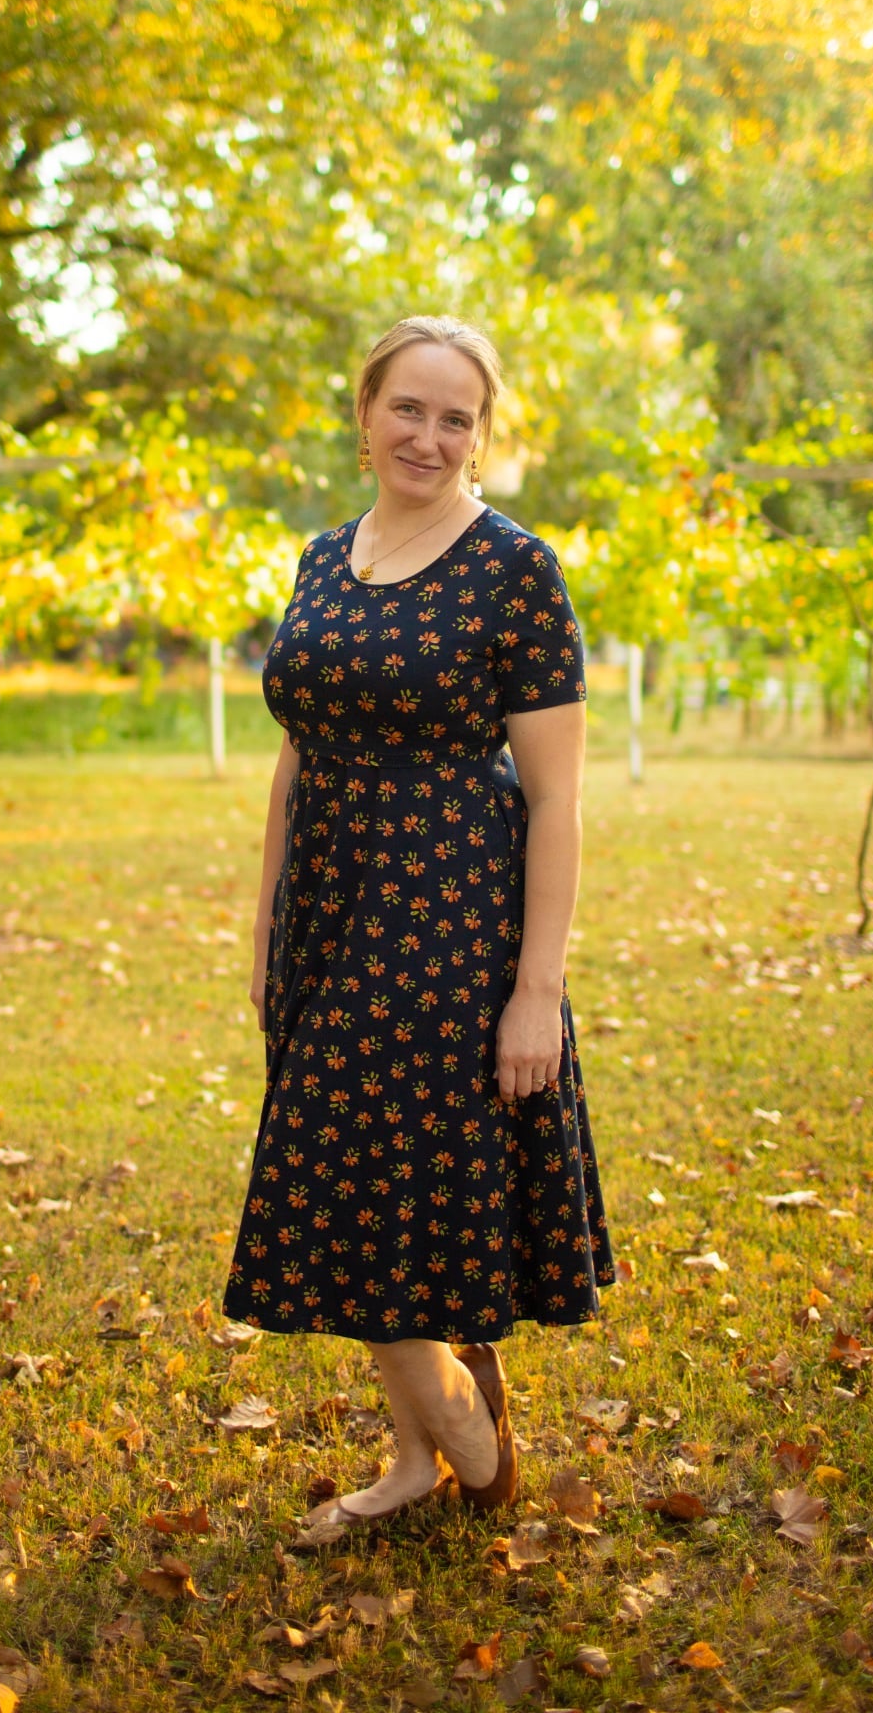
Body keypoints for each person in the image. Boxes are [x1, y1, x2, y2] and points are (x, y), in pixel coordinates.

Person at [223, 314, 614, 1534]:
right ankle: (416, 1458)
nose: (429, 436)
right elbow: (298, 757)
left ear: (480, 434)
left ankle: (473, 1450)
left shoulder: (516, 569)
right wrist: (265, 924)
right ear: (366, 411)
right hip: (325, 918)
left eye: (457, 417)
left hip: (446, 920)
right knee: (384, 1178)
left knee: (361, 1180)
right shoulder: (321, 558)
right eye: (410, 408)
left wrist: (536, 987)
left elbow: (554, 798)